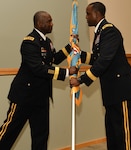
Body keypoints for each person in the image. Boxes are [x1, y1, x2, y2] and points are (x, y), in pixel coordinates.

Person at [0, 11, 77, 150]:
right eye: (49, 21)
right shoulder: (29, 42)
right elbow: (39, 68)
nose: (52, 24)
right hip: (24, 96)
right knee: (8, 132)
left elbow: (53, 59)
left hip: (41, 97)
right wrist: (66, 72)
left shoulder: (47, 42)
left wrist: (70, 47)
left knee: (41, 136)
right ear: (39, 23)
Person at [70, 2, 131, 150]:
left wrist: (81, 80)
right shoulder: (100, 32)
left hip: (120, 89)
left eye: (88, 13)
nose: (86, 17)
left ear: (97, 14)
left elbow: (104, 60)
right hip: (111, 89)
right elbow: (97, 58)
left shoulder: (109, 31)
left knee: (122, 131)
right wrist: (80, 54)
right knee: (112, 130)